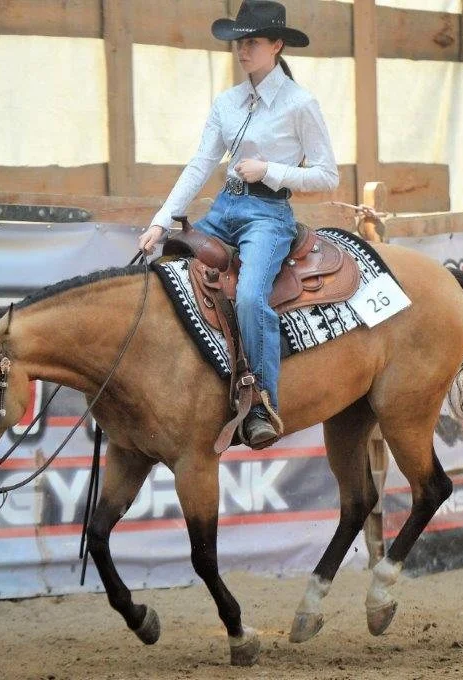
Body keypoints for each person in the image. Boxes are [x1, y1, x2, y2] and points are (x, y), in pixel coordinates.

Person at [138, 1, 340, 447]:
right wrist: (160, 222)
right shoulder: (227, 102)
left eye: (251, 42)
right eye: (239, 42)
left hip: (269, 215)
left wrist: (271, 171)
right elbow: (199, 165)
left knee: (250, 296)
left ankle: (262, 403)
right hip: (225, 207)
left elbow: (328, 176)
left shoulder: (301, 104)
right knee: (171, 268)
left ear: (277, 46)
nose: (242, 50)